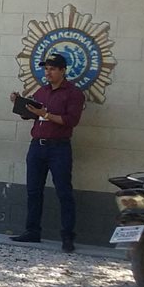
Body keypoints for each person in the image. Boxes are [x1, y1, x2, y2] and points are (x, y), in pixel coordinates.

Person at [9, 53, 86, 253]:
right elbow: (29, 115)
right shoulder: (41, 92)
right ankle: (32, 231)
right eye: (46, 69)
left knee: (64, 192)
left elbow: (71, 121)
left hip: (59, 147)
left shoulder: (73, 93)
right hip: (37, 146)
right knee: (34, 191)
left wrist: (45, 114)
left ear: (62, 70)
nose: (48, 72)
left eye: (52, 69)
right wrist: (19, 103)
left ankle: (67, 237)